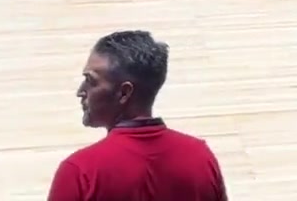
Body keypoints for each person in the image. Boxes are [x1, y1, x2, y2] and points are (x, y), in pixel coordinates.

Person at [50, 31, 226, 201]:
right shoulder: (201, 158)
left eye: (91, 81)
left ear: (124, 93)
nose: (80, 91)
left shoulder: (80, 172)